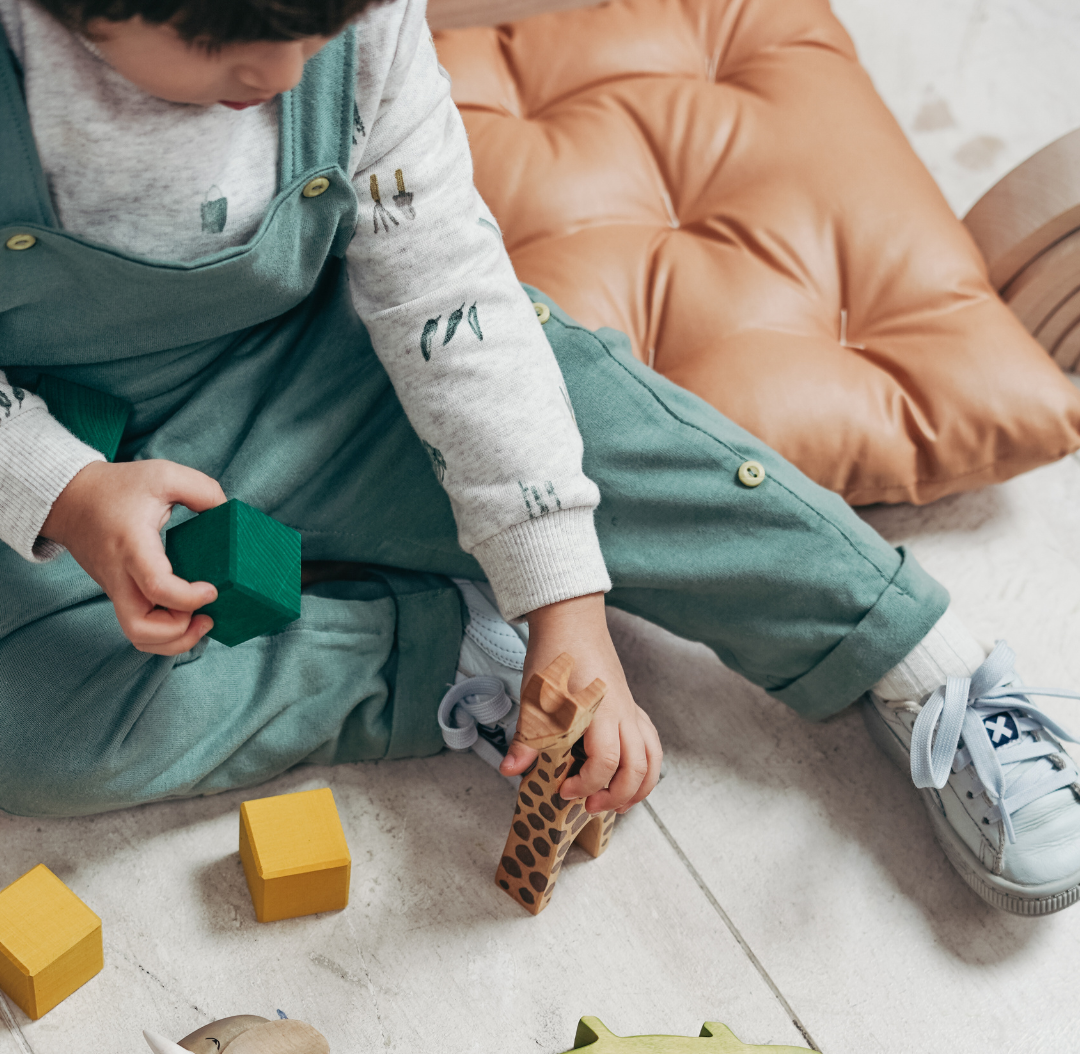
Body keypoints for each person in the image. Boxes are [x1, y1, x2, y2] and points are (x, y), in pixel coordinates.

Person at [1, 0, 1078, 916]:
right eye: (229, 53)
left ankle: (921, 661)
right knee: (31, 726)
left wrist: (567, 601)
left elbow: (443, 292)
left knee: (591, 423)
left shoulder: (355, 31)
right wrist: (63, 488)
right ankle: (447, 657)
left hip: (327, 367)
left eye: (321, 32)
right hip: (54, 431)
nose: (287, 74)